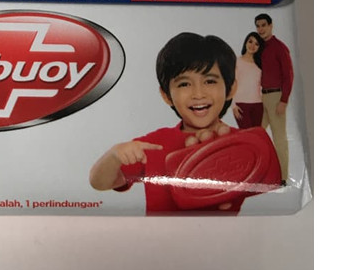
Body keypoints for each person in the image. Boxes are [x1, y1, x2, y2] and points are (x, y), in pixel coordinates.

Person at [89, 32, 278, 215]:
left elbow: (274, 185)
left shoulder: (242, 143)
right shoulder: (153, 144)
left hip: (221, 234)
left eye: (210, 81)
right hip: (157, 235)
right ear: (166, 95)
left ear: (230, 89)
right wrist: (114, 155)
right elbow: (100, 183)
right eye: (184, 84)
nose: (198, 94)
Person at [254, 13, 294, 182]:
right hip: (261, 97)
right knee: (256, 134)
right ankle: (259, 174)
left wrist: (284, 100)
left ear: (271, 26)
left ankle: (282, 178)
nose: (261, 29)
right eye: (258, 26)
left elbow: (288, 75)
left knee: (279, 137)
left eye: (264, 25)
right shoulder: (259, 47)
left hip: (276, 97)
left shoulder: (279, 47)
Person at [232, 32, 265, 129]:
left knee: (256, 134)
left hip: (258, 105)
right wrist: (233, 105)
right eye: (250, 41)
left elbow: (261, 86)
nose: (252, 46)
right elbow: (230, 84)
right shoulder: (236, 62)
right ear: (245, 43)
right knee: (246, 134)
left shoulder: (259, 65)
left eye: (256, 44)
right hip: (241, 105)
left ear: (259, 47)